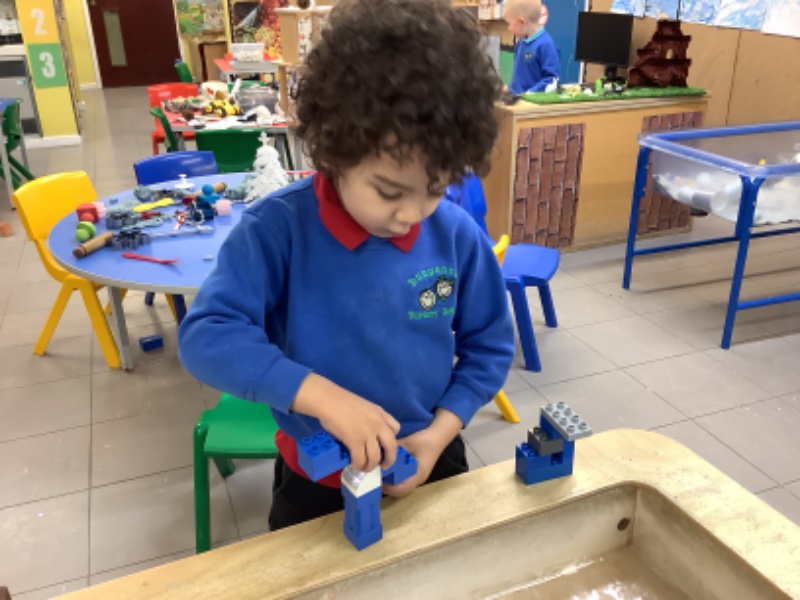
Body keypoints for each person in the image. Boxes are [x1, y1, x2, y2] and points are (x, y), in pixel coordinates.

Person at [178, 0, 515, 531]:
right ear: (334, 154)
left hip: (431, 456)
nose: (411, 215)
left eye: (434, 190)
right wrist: (322, 397)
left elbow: (489, 346)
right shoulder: (277, 231)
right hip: (316, 479)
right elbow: (207, 337)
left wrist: (440, 432)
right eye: (389, 192)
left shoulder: (456, 236)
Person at [504, 0, 561, 95]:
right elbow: (520, 82)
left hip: (532, 103)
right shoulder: (520, 44)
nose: (508, 28)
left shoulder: (546, 45)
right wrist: (508, 89)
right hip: (518, 100)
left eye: (508, 23)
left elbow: (551, 80)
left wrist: (530, 93)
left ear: (521, 21)